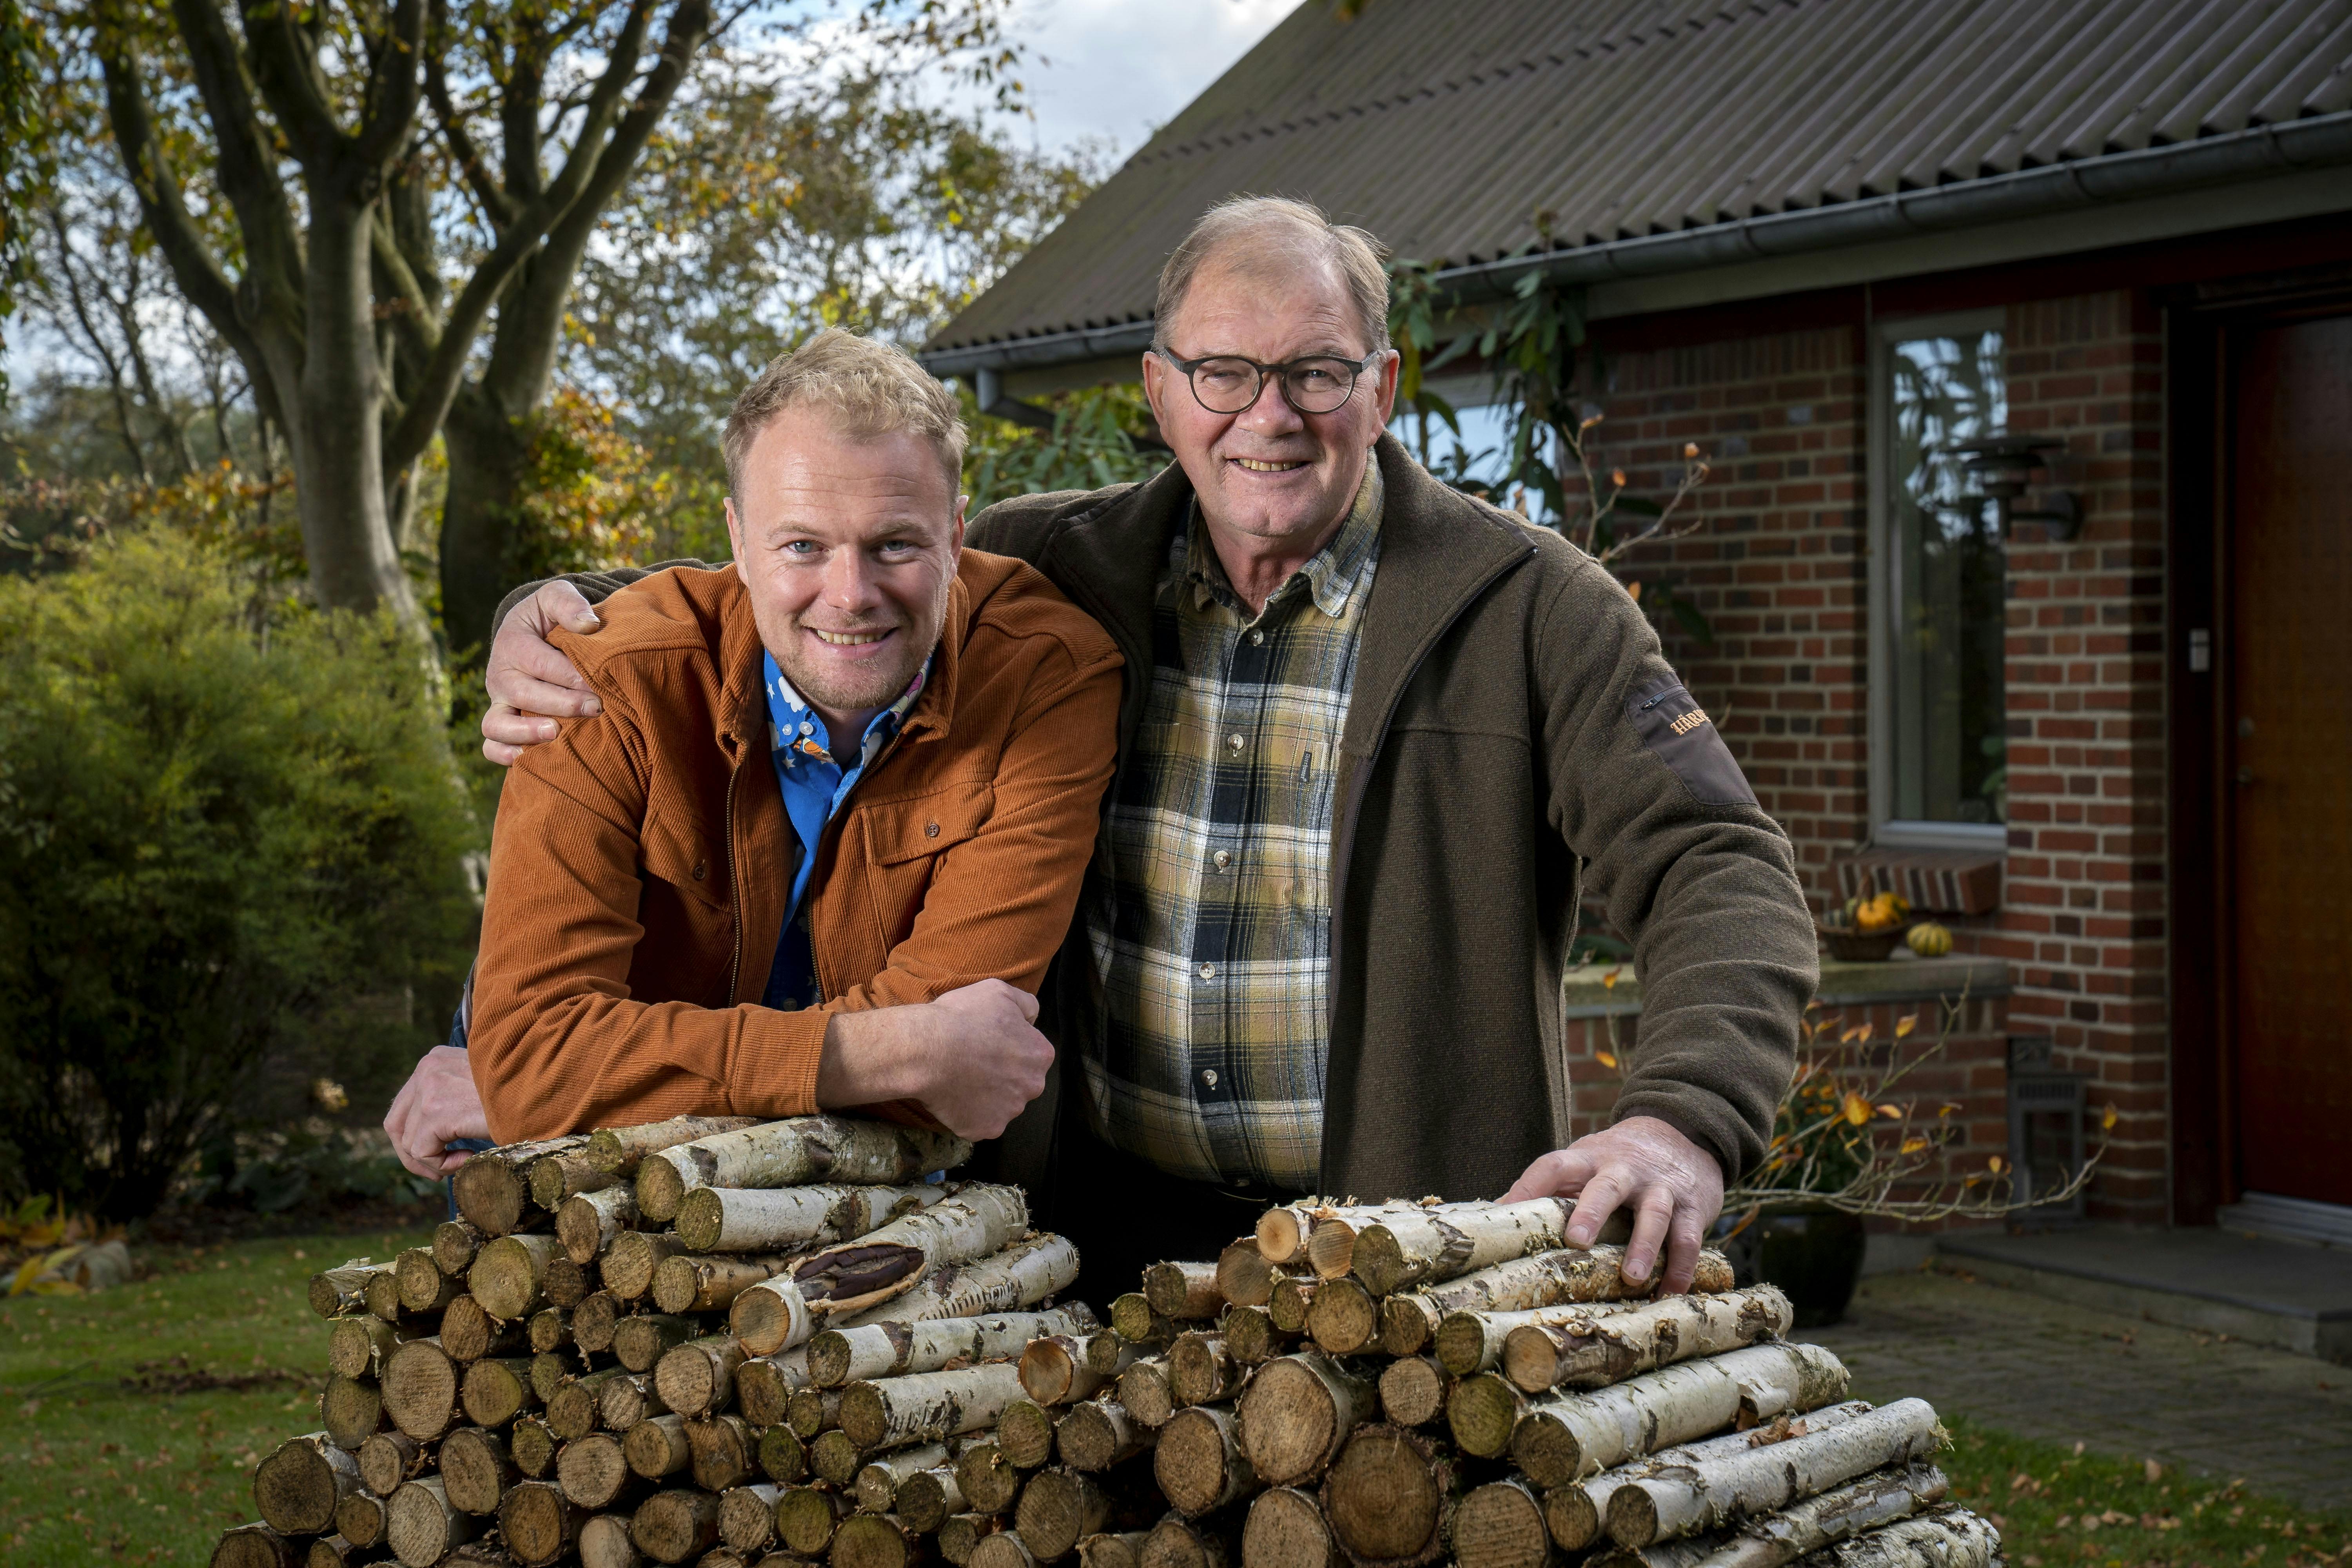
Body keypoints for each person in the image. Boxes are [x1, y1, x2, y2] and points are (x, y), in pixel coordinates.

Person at [470, 198, 1817, 1293]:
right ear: (1160, 393)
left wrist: (1680, 1120)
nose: (1269, 416)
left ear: (1383, 389)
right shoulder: (1059, 565)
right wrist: (564, 611)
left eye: (1317, 372)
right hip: (1086, 1247)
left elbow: (1717, 864)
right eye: (1224, 373)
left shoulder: (1535, 608)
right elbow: (823, 574)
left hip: (1403, 1264)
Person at [383, 329, 1121, 1170]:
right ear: (737, 541)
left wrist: (571, 1084)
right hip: (591, 1155)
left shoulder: (1048, 674)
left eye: (895, 544)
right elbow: (537, 1053)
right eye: (802, 545)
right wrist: (889, 1052)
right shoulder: (598, 679)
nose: (851, 595)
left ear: (956, 538)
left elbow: (965, 1055)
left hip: (715, 1132)